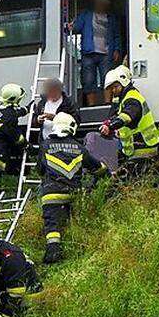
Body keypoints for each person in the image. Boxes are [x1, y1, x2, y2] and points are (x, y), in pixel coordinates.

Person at [37, 112, 107, 264]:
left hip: (51, 194)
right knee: (72, 221)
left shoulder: (45, 145)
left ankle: (53, 254)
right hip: (73, 193)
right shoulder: (79, 147)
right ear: (71, 127)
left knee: (52, 225)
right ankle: (76, 247)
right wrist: (105, 172)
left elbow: (40, 170)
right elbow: (97, 168)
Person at [99, 65, 159, 177]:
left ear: (123, 83)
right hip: (136, 150)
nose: (113, 90)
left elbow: (126, 116)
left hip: (143, 149)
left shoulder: (132, 98)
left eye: (115, 87)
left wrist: (111, 126)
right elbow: (115, 115)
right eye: (111, 88)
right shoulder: (124, 98)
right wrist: (108, 123)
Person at [69, 0, 124, 106]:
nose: (101, 5)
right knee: (88, 80)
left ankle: (108, 103)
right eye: (99, 3)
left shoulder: (111, 18)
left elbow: (116, 35)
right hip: (88, 52)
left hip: (106, 53)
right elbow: (76, 28)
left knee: (107, 78)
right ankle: (91, 106)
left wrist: (117, 49)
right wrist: (70, 27)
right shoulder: (86, 15)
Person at [29, 78, 80, 145]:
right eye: (48, 91)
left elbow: (76, 121)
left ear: (59, 90)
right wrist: (38, 120)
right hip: (45, 141)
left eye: (53, 91)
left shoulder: (69, 103)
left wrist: (55, 118)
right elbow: (33, 121)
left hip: (64, 142)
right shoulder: (42, 103)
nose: (50, 93)